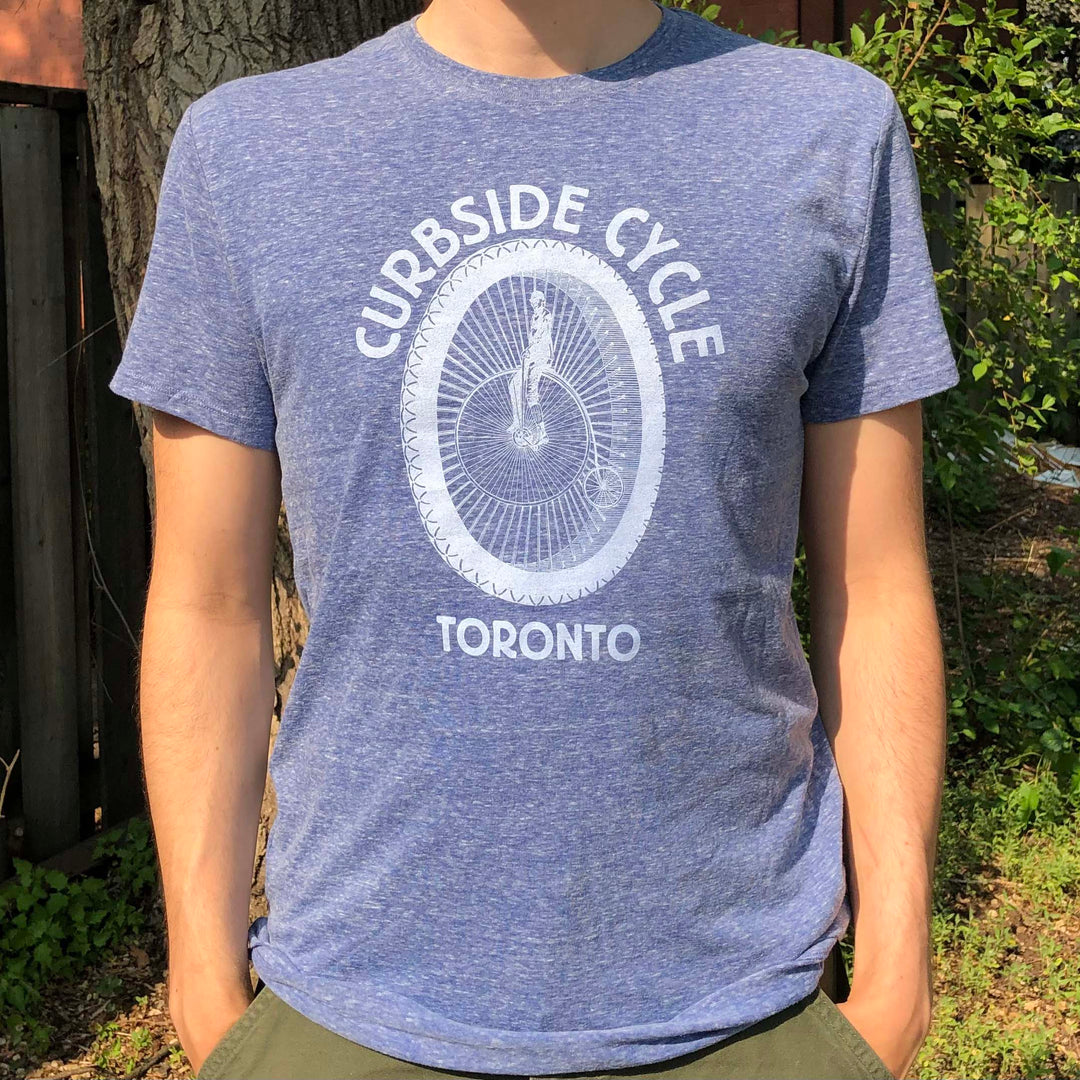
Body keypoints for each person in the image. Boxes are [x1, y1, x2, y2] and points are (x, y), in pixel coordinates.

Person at [108, 1, 960, 1078]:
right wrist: (203, 985)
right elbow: (205, 601)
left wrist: (894, 981)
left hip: (751, 1009)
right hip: (346, 1008)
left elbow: (875, 586)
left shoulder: (827, 129)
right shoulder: (249, 150)